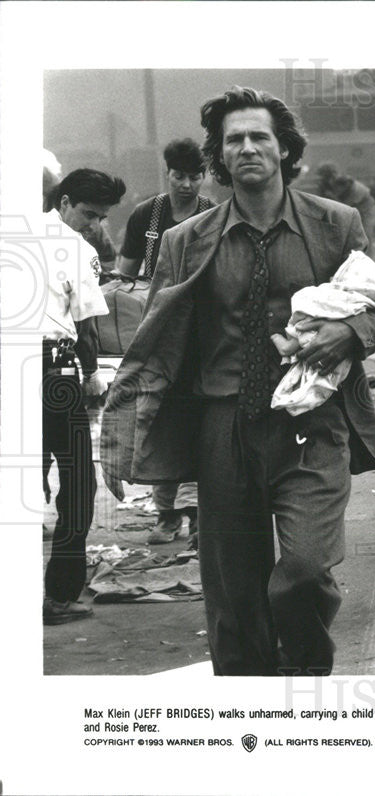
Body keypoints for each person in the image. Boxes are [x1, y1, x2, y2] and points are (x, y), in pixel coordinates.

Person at [100, 86, 375, 676]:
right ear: (220, 156)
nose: (248, 148)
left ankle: (306, 666)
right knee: (233, 595)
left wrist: (354, 333)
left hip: (312, 425)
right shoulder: (187, 242)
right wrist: (122, 430)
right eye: (234, 139)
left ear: (285, 149)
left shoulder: (336, 225)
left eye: (260, 136)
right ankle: (249, 710)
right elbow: (157, 343)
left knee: (306, 568)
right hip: (223, 428)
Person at [117, 138, 215, 545]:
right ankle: (166, 515)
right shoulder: (147, 215)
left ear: (205, 176)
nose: (188, 184)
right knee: (157, 421)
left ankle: (197, 516)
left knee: (202, 424)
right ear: (167, 173)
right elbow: (124, 277)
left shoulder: (214, 214)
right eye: (180, 176)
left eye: (195, 176)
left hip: (204, 337)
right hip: (158, 335)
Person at [41, 168, 126, 624]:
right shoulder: (77, 249)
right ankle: (60, 596)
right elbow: (87, 329)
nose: (94, 225)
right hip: (54, 371)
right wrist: (92, 378)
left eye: (101, 218)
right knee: (77, 485)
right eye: (90, 214)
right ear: (67, 201)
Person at [313, 162, 375, 245]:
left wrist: (332, 197)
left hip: (364, 205)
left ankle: (366, 255)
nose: (321, 179)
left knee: (364, 233)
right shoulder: (324, 184)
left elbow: (345, 206)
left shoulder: (344, 182)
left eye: (324, 176)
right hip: (350, 205)